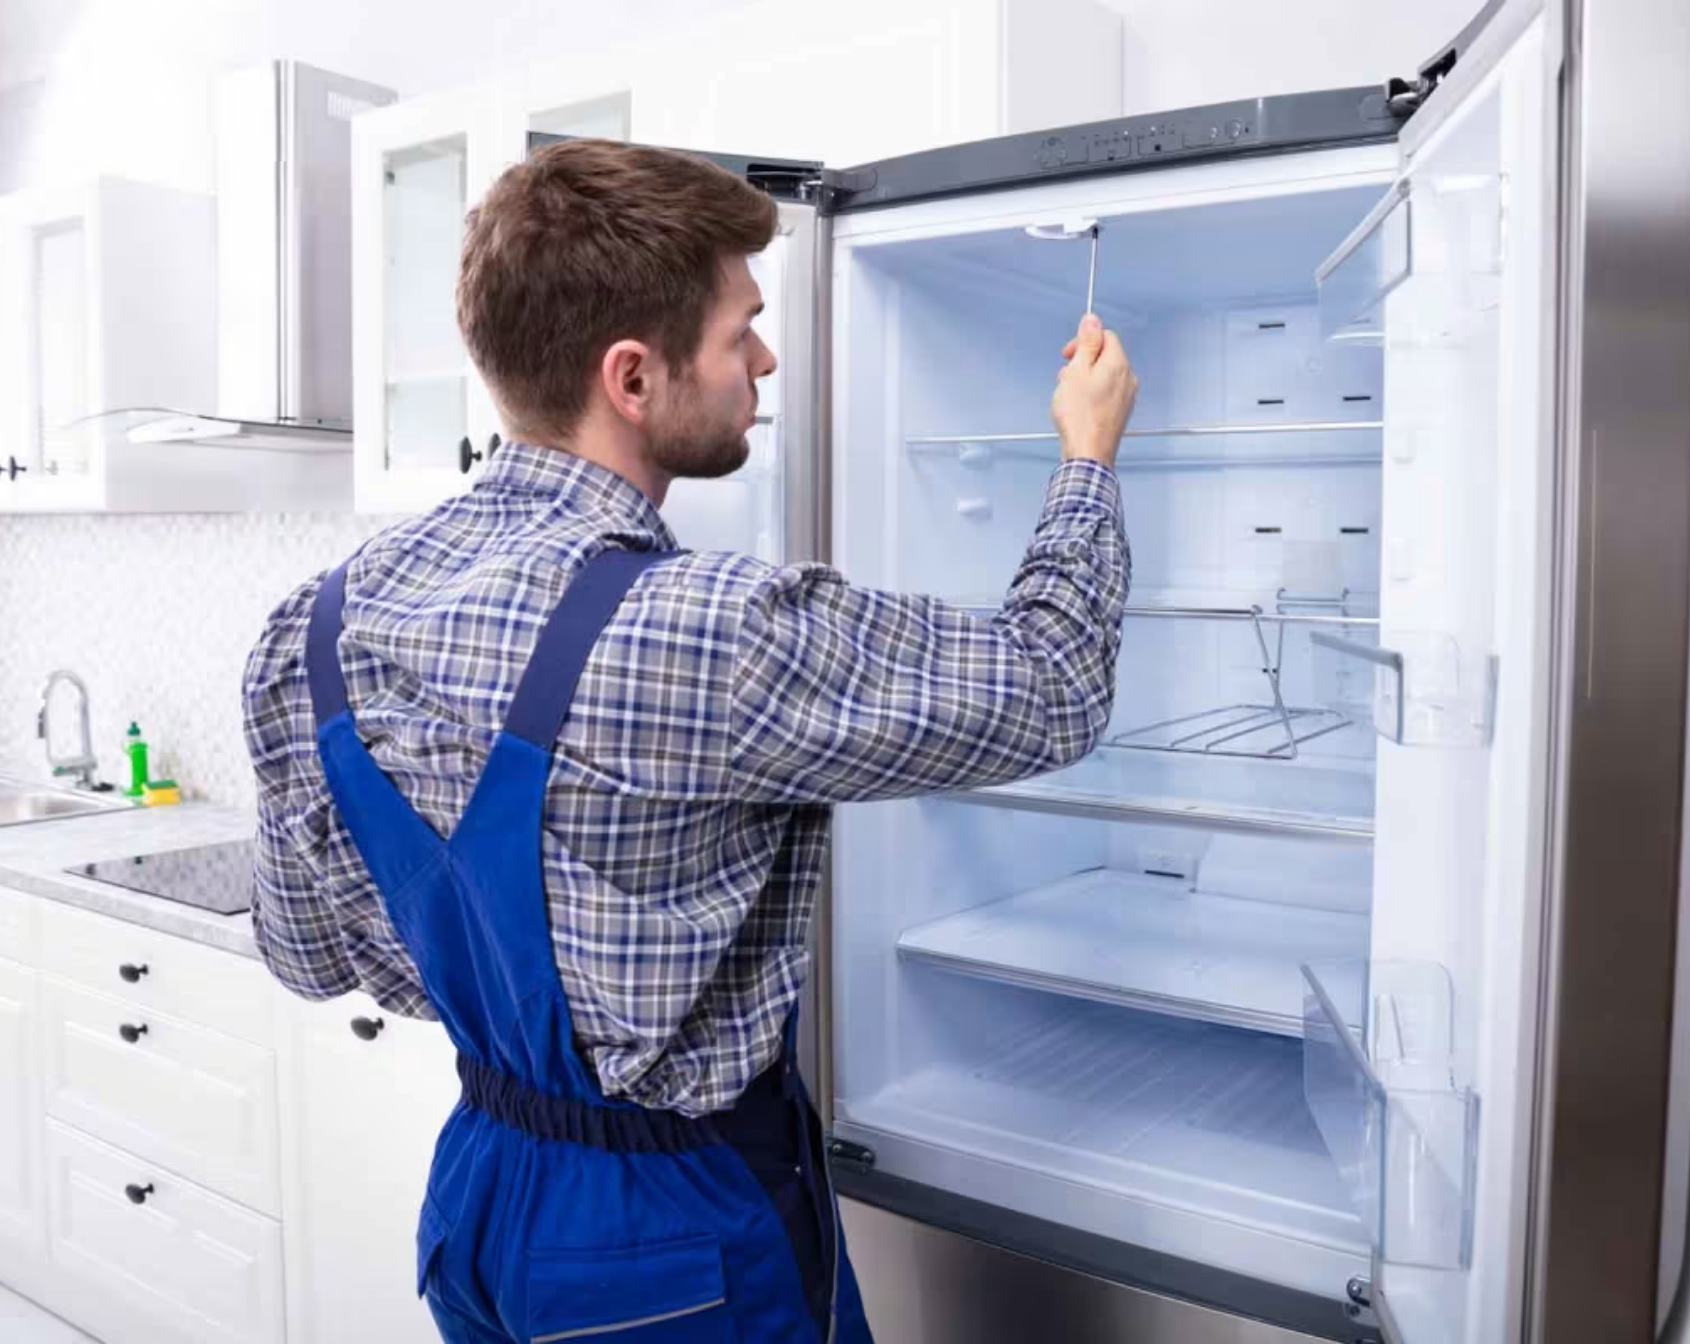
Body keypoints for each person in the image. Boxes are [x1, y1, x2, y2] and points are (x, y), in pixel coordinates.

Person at [241, 138, 1137, 1344]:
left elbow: (308, 956)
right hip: (672, 1240)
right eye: (739, 333)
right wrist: (1087, 454)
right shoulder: (710, 634)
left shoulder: (316, 623)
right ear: (631, 376)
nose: (765, 360)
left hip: (483, 1198)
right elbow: (1051, 682)